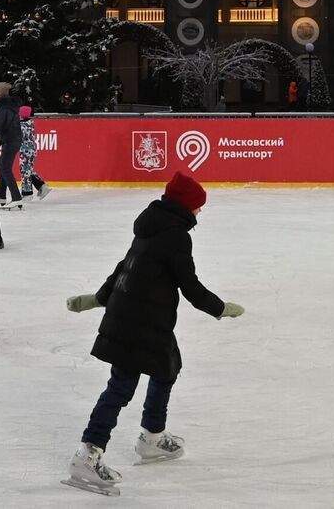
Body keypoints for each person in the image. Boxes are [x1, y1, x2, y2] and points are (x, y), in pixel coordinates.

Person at [63, 172, 244, 497]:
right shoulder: (175, 235)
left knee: (167, 368)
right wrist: (219, 308)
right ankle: (88, 455)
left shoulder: (152, 226)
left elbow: (124, 266)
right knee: (121, 387)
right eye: (197, 207)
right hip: (138, 322)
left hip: (141, 318)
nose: (199, 214)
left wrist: (98, 299)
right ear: (185, 207)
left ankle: (152, 437)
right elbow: (188, 284)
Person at [18, 103, 50, 200]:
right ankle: (42, 186)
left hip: (26, 150)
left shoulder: (22, 124)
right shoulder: (30, 123)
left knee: (25, 171)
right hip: (30, 150)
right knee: (27, 170)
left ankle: (27, 193)